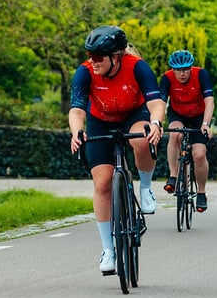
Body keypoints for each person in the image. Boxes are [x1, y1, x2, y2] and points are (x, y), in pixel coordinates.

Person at [69, 25, 164, 275]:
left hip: (134, 114)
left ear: (116, 56)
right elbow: (77, 109)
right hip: (101, 118)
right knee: (102, 184)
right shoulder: (85, 72)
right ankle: (108, 250)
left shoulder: (136, 67)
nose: (93, 60)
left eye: (99, 56)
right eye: (90, 55)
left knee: (142, 140)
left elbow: (155, 103)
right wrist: (77, 131)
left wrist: (155, 123)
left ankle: (145, 188)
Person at [158, 50, 214, 213]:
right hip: (178, 114)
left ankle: (201, 192)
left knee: (199, 154)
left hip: (198, 116)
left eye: (185, 69)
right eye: (178, 70)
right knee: (176, 135)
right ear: (173, 70)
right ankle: (174, 176)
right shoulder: (167, 78)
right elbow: (161, 102)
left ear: (191, 68)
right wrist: (158, 123)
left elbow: (209, 100)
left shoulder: (201, 75)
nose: (182, 73)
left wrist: (206, 123)